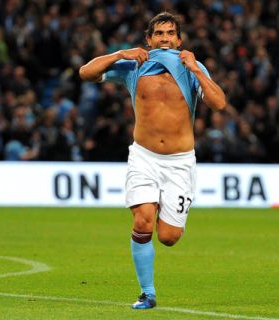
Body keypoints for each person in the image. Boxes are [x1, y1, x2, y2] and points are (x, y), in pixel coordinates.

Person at [79, 12, 226, 309]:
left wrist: (195, 69)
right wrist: (121, 52)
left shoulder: (191, 68)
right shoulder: (135, 66)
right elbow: (86, 73)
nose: (165, 38)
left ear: (179, 39)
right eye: (159, 33)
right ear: (149, 39)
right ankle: (147, 292)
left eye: (171, 33)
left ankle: (165, 211)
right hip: (144, 157)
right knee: (143, 222)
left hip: (180, 162)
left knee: (169, 237)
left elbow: (219, 103)